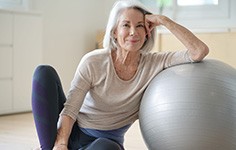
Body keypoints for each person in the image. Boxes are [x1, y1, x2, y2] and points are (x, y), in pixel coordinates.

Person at [31, 0, 209, 150]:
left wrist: (164, 21)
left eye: (140, 25)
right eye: (126, 25)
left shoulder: (155, 63)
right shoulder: (94, 62)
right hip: (72, 130)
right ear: (114, 32)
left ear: (147, 32)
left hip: (106, 144)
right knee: (43, 72)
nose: (133, 32)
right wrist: (61, 144)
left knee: (106, 147)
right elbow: (70, 110)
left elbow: (198, 51)